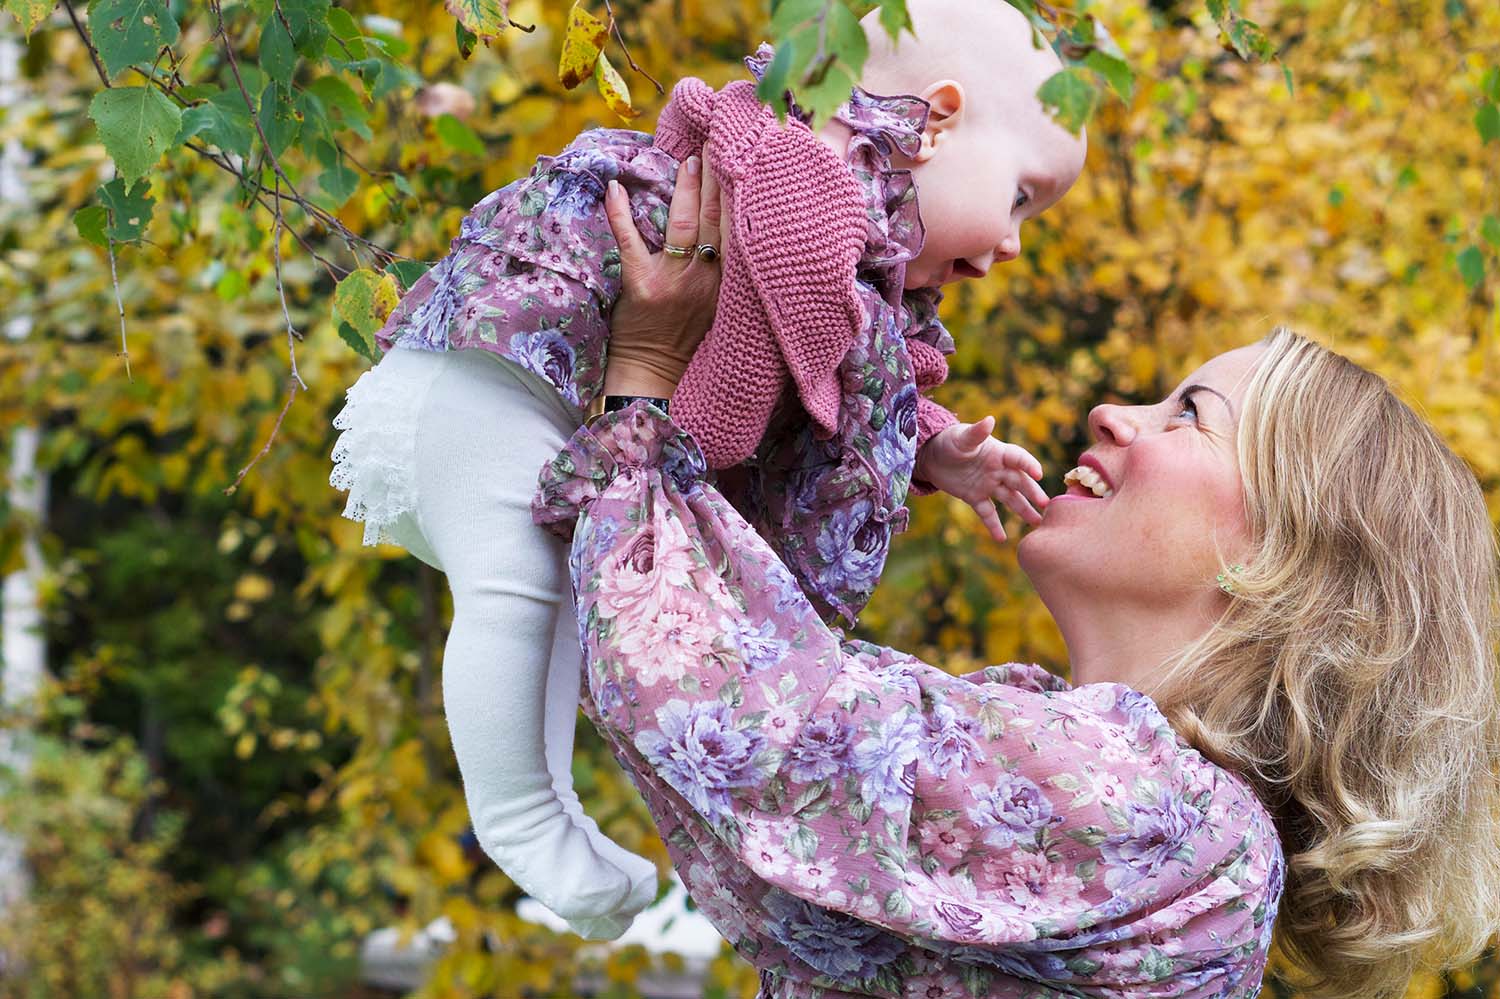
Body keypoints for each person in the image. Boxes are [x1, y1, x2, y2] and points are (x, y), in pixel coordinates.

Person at [527, 175, 1500, 996]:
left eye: (1188, 414)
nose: (1112, 411)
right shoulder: (1128, 794)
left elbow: (754, 726)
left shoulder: (1167, 817)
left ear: (1294, 555)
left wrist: (643, 379)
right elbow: (753, 684)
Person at [327, 0, 1084, 936]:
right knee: (515, 588)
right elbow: (732, 403)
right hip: (494, 377)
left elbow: (834, 371)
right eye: (1021, 197)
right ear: (936, 124)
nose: (1014, 242)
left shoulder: (838, 224)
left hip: (533, 394)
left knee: (555, 606)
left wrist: (934, 448)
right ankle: (519, 815)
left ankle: (550, 807)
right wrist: (676, 469)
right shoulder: (805, 194)